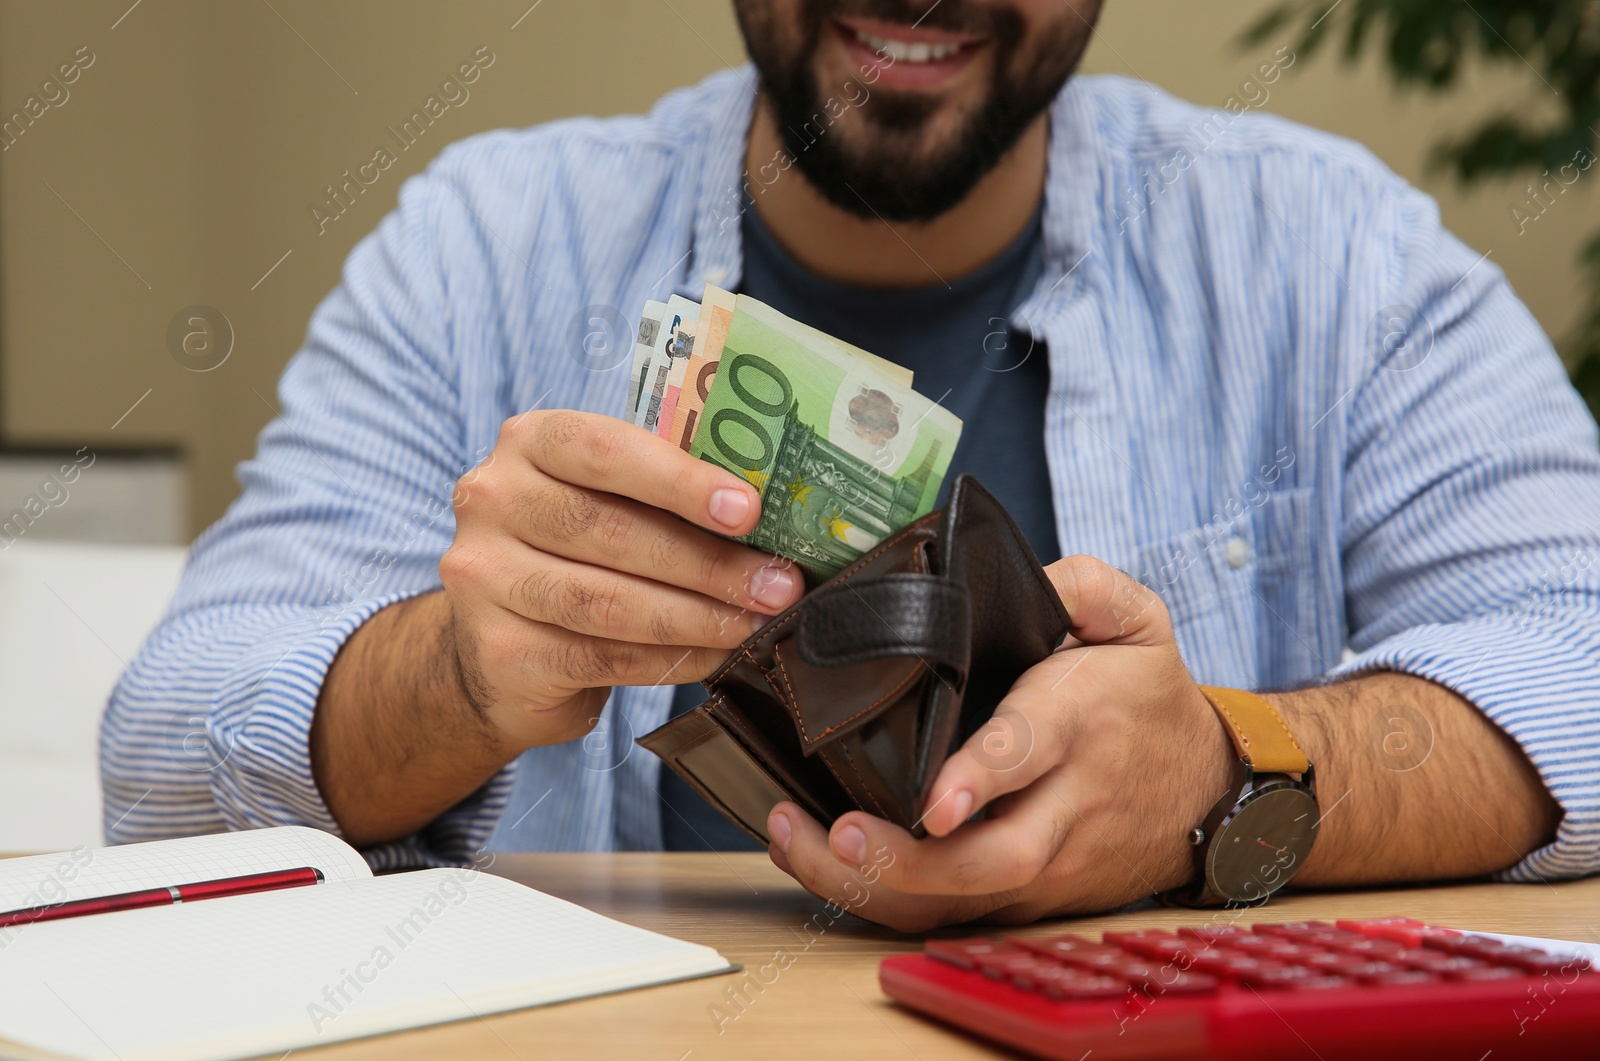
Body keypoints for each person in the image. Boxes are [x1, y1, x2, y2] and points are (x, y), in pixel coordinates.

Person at [102, 0, 1600, 930]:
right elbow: (161, 762)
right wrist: (455, 673)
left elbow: (1581, 656)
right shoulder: (475, 252)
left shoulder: (1335, 256)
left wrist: (1231, 768)